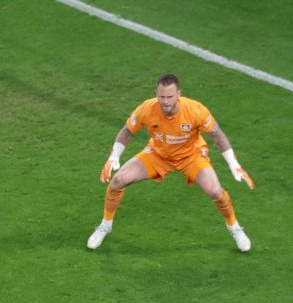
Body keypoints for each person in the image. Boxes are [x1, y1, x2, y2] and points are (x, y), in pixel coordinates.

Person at [88, 73, 255, 253]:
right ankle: (105, 225)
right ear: (156, 94)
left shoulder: (195, 110)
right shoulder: (147, 109)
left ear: (178, 95)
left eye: (170, 97)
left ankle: (234, 227)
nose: (166, 102)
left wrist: (233, 164)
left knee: (215, 191)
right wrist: (114, 157)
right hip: (159, 154)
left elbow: (217, 135)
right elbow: (127, 131)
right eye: (162, 97)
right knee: (118, 181)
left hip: (191, 156)